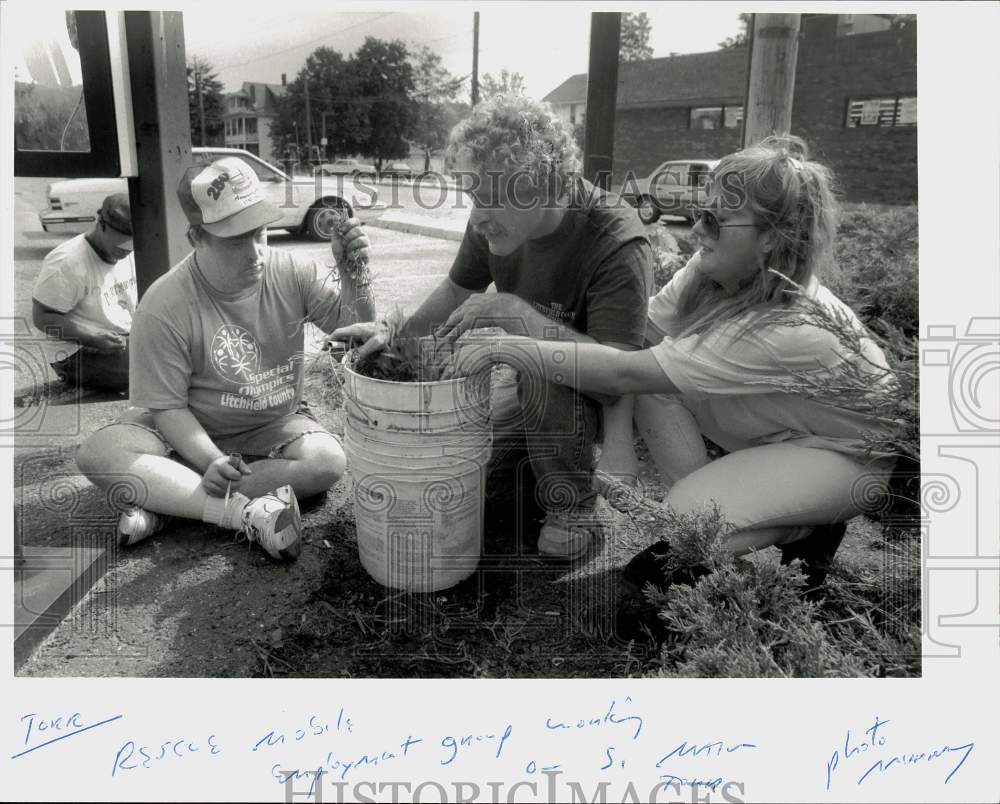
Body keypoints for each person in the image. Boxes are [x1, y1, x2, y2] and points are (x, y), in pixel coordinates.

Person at [444, 136, 897, 597]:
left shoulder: (788, 324)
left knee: (687, 523)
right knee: (688, 511)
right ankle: (733, 504)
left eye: (716, 221)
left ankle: (807, 526)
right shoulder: (710, 272)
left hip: (843, 459)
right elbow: (635, 343)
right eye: (702, 212)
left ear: (772, 239)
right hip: (773, 428)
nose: (697, 231)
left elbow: (625, 373)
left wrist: (508, 342)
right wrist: (618, 446)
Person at [332, 94, 653, 560]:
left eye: (490, 199)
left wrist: (514, 312)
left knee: (533, 357)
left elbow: (618, 377)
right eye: (472, 196)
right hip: (531, 395)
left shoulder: (616, 240)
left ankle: (575, 507)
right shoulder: (492, 222)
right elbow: (454, 293)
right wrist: (396, 334)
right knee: (463, 486)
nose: (476, 216)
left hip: (592, 396)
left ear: (542, 185)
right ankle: (544, 470)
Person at [75, 156, 374, 562]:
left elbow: (356, 331)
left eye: (260, 232)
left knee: (327, 461)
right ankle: (238, 512)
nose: (256, 252)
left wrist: (352, 272)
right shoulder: (163, 305)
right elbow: (168, 409)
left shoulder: (291, 271)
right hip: (188, 426)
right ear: (197, 237)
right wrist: (211, 460)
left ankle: (170, 502)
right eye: (236, 240)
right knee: (99, 453)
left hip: (274, 422)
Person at [32, 193, 136, 392]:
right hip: (74, 352)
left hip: (120, 339)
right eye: (121, 244)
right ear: (101, 224)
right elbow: (42, 317)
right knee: (156, 372)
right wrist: (91, 336)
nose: (127, 250)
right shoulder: (67, 261)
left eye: (131, 244)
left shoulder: (131, 252)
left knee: (190, 354)